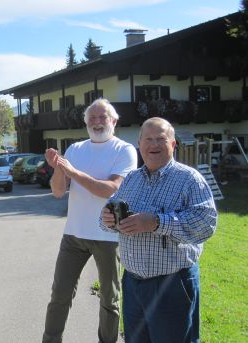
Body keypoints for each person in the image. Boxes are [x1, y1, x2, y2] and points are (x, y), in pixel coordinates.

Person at [100, 117, 217, 343]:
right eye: (148, 139)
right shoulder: (131, 179)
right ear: (140, 144)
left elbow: (206, 223)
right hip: (133, 283)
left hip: (172, 285)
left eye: (161, 139)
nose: (154, 145)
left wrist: (156, 223)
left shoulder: (189, 179)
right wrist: (107, 218)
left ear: (173, 144)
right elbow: (107, 214)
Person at [42, 98, 138, 343]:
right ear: (86, 123)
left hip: (107, 236)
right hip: (73, 234)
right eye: (92, 118)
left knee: (109, 299)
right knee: (59, 294)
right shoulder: (75, 149)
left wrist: (73, 172)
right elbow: (57, 191)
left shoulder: (124, 150)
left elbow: (111, 188)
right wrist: (58, 168)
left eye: (102, 117)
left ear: (114, 121)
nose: (97, 122)